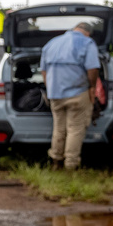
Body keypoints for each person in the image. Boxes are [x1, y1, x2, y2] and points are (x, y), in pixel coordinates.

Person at [40, 22, 100, 171]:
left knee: (59, 128)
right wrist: (92, 87)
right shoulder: (87, 43)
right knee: (75, 129)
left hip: (55, 94)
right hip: (78, 93)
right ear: (87, 32)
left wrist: (50, 88)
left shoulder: (51, 43)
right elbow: (92, 69)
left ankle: (56, 161)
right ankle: (70, 165)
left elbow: (44, 71)